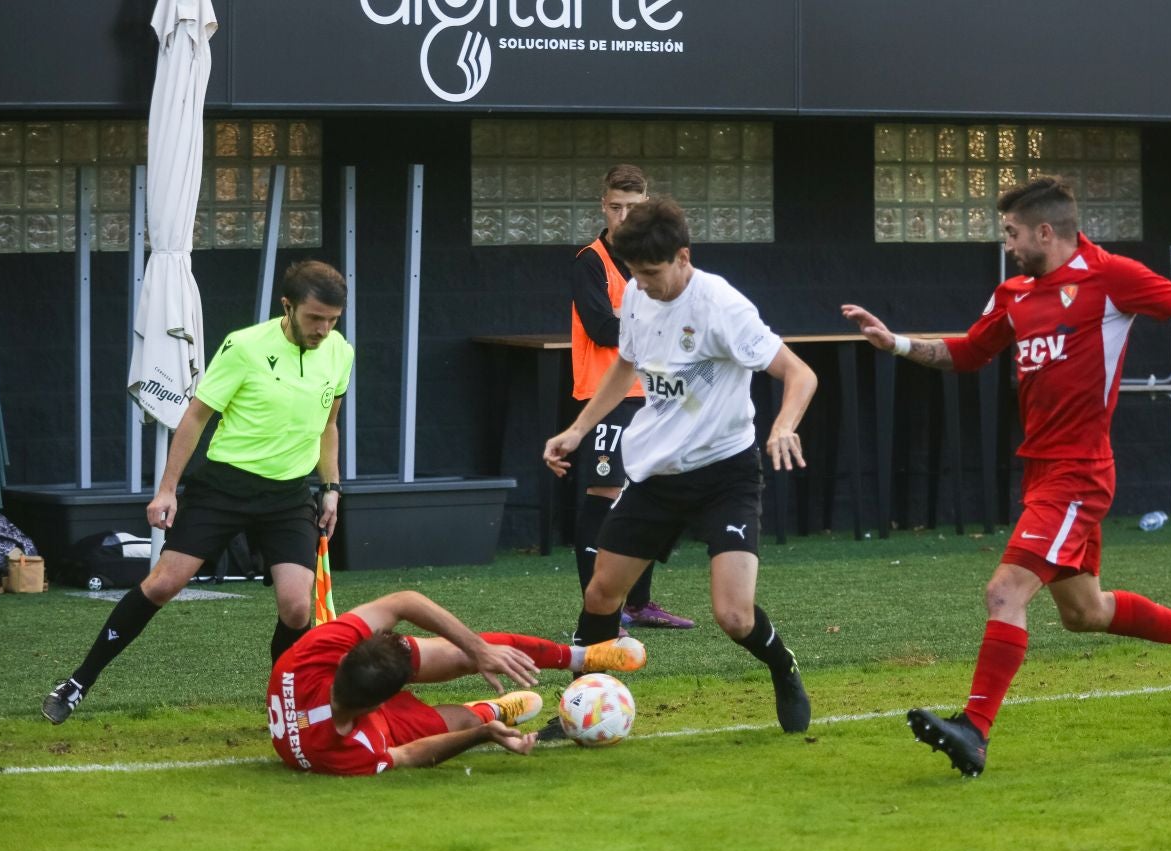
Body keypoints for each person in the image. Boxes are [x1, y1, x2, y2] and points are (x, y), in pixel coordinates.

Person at [842, 176, 1171, 777]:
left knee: (1004, 592)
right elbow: (969, 354)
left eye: (1011, 233)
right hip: (1040, 471)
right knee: (1083, 612)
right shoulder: (1012, 293)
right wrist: (897, 343)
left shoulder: (1109, 276)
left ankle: (974, 730)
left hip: (1079, 472)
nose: (1006, 243)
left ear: (1044, 231)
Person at [544, 197, 820, 732]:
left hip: (725, 475)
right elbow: (625, 364)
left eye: (649, 273)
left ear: (683, 257)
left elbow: (800, 374)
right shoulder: (637, 297)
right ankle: (580, 702)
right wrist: (577, 430)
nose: (640, 285)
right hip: (655, 477)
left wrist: (783, 426)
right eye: (632, 274)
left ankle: (783, 668)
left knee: (733, 616)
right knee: (601, 593)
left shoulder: (721, 305)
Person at [44, 260, 356, 724]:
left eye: (332, 320)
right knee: (164, 583)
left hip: (289, 494)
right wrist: (166, 489)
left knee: (295, 608)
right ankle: (77, 683)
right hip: (224, 487)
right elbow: (195, 416)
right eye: (315, 318)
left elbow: (328, 426)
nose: (323, 329)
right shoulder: (245, 347)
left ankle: (284, 711)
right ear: (286, 306)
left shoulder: (340, 352)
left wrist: (330, 487)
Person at [267, 589, 646, 775]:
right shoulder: (353, 748)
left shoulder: (311, 655)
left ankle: (583, 656)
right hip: (354, 721)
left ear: (346, 656)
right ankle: (493, 711)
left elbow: (405, 601)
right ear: (378, 705)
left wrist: (477, 649)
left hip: (341, 694)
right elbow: (410, 755)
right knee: (461, 723)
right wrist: (482, 732)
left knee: (465, 652)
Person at [570, 164, 692, 630]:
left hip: (655, 395)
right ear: (603, 205)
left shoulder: (660, 259)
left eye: (633, 208)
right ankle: (598, 608)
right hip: (607, 396)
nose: (623, 217)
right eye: (616, 207)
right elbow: (602, 327)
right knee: (605, 493)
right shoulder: (590, 260)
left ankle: (638, 604)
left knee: (648, 493)